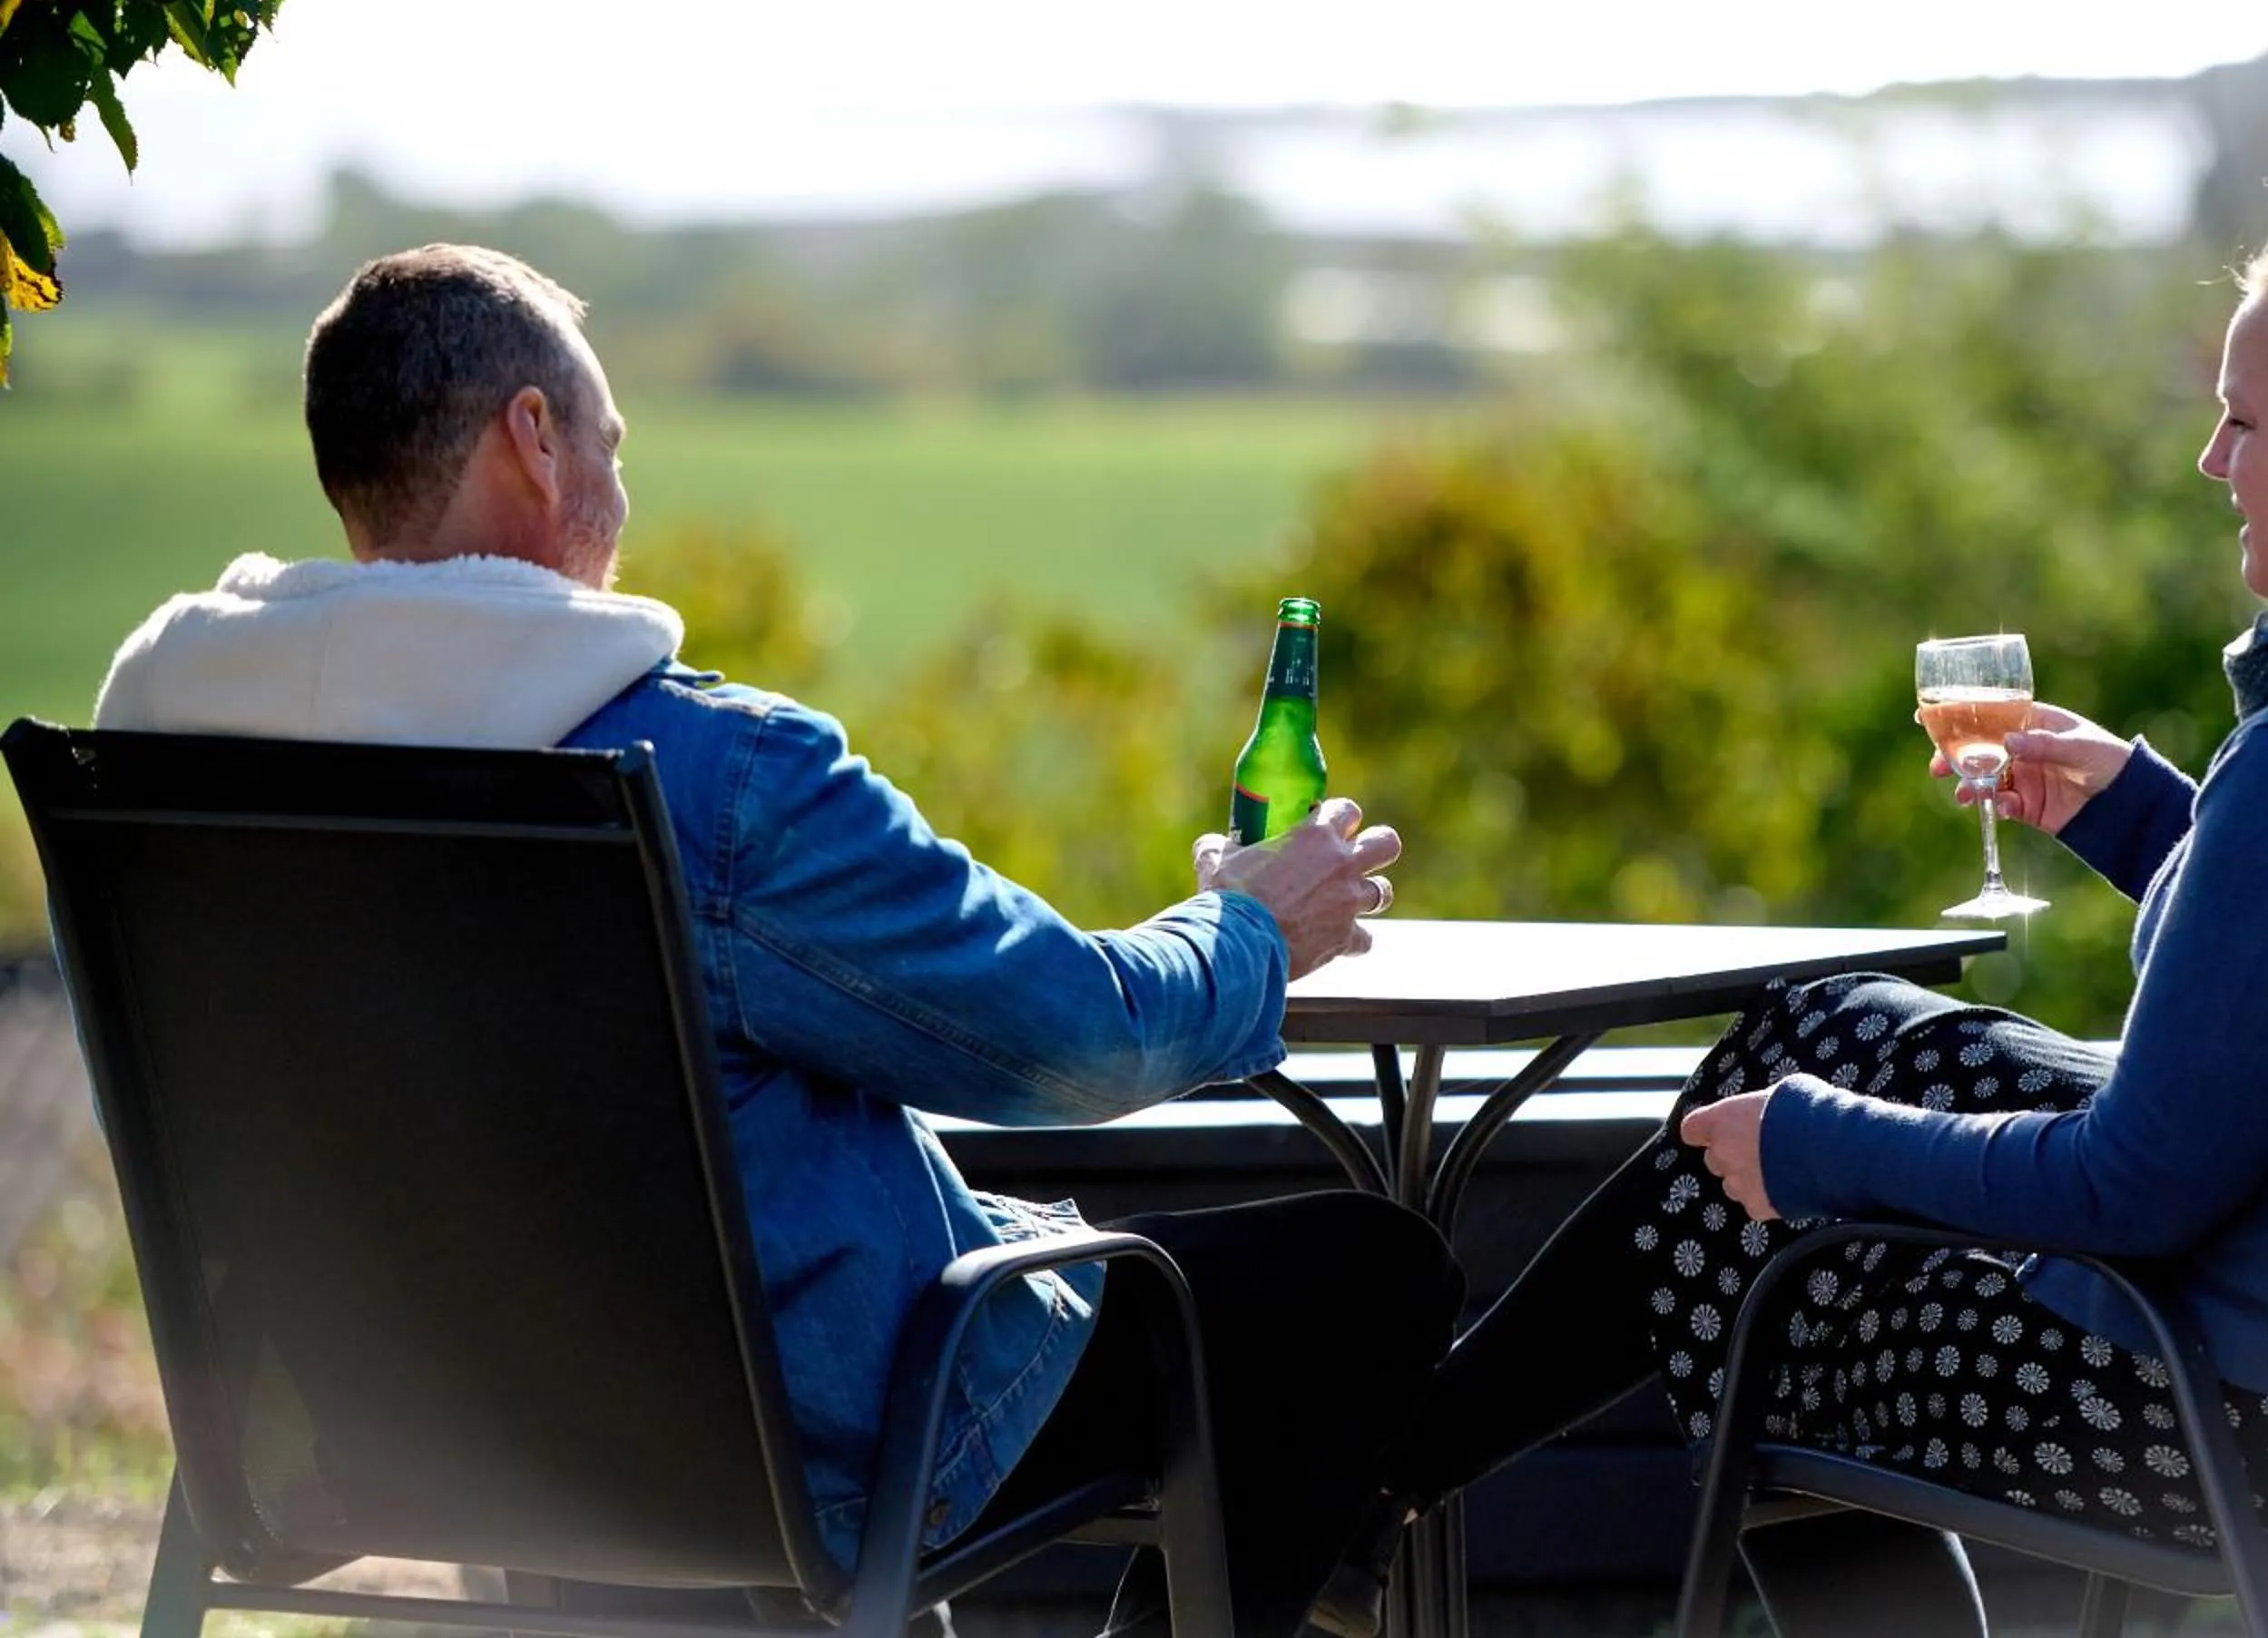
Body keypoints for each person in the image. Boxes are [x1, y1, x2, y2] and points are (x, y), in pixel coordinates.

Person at [1309, 101, 2268, 1638]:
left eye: (2245, 422)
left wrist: (1816, 1149)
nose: (2213, 459)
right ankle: (1375, 1492)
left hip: (2238, 1414)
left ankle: (1360, 1497)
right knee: (1831, 1023)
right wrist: (2145, 815)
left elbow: (2134, 1185)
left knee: (1733, 1233)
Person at [90, 243, 1466, 1638]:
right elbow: (1079, 1039)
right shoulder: (712, 777)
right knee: (1368, 1281)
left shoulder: (177, 774)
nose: (621, 491)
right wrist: (1251, 925)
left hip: (402, 1435)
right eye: (612, 444)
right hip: (779, 1455)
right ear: (535, 438)